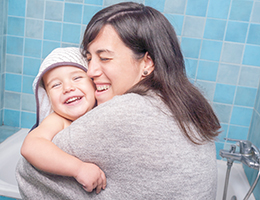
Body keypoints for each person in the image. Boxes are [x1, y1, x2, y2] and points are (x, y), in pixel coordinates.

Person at [16, 2, 221, 199]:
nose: (91, 71)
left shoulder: (127, 111)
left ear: (147, 62)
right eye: (88, 59)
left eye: (104, 58)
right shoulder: (187, 103)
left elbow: (29, 172)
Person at [20, 47, 106, 194]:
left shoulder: (104, 112)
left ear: (93, 83)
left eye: (77, 78)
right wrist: (78, 168)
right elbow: (30, 146)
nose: (67, 88)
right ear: (47, 98)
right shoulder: (58, 120)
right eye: (56, 85)